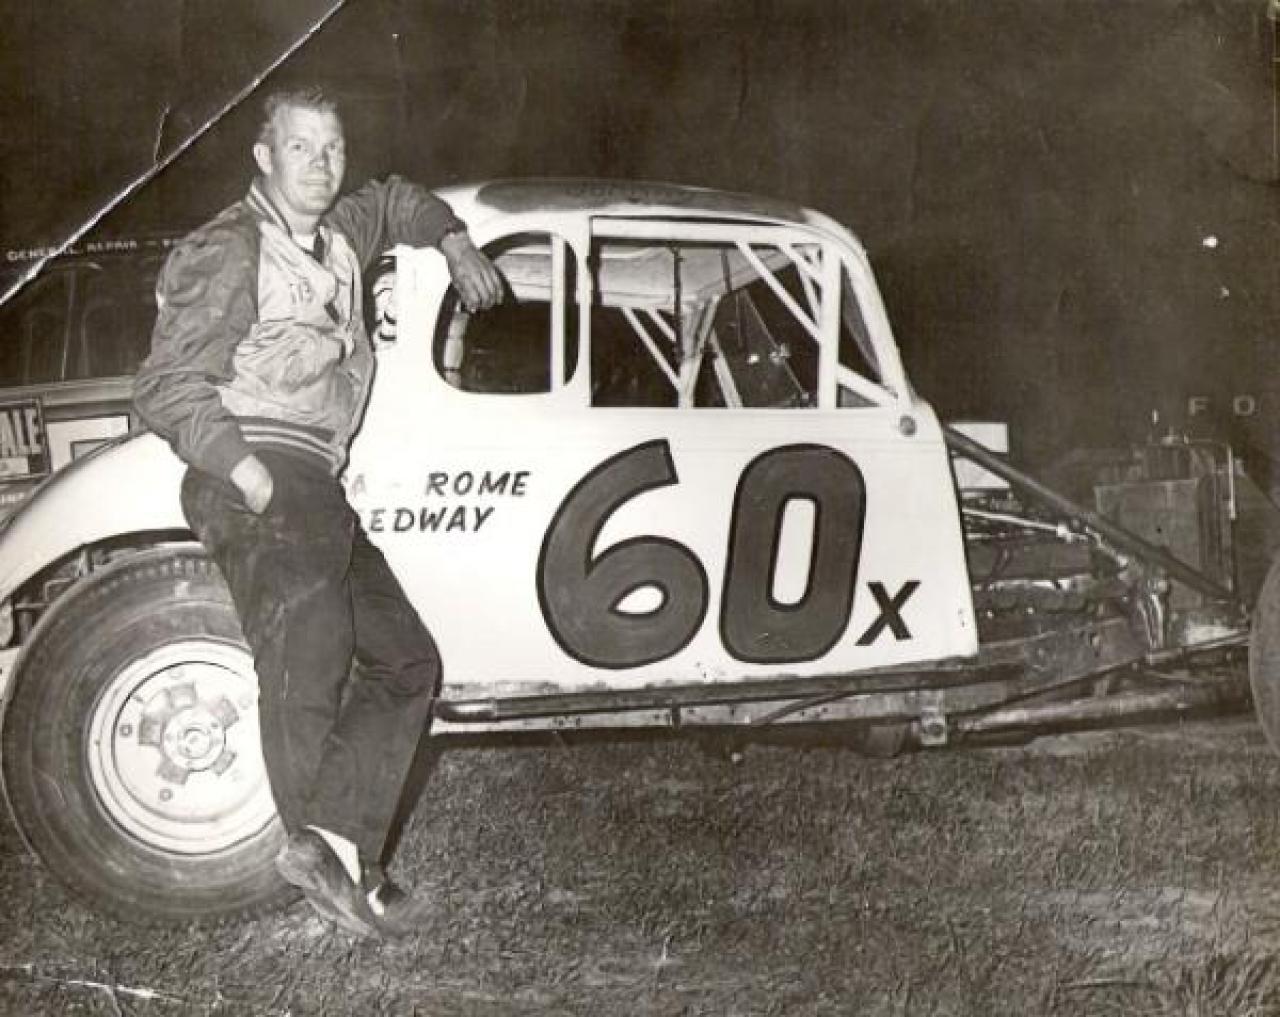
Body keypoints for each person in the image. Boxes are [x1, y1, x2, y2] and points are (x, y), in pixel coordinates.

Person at [133, 85, 502, 937]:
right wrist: (249, 473)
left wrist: (452, 240)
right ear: (264, 157)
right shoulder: (231, 247)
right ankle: (342, 877)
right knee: (313, 644)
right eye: (300, 147)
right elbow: (166, 385)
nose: (321, 163)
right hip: (258, 468)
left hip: (316, 482)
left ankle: (333, 848)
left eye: (333, 147)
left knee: (407, 659)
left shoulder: (340, 235)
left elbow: (398, 199)